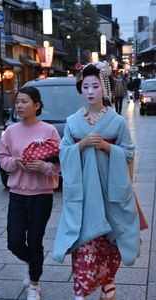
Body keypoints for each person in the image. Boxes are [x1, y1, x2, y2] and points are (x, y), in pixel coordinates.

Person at [53, 61, 140, 300]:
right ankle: (81, 289)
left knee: (111, 242)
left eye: (96, 86)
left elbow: (129, 152)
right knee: (84, 243)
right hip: (84, 193)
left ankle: (108, 281)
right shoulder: (73, 121)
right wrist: (80, 145)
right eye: (86, 87)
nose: (90, 91)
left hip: (109, 191)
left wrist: (104, 146)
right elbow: (63, 151)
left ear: (105, 89)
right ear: (81, 89)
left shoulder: (117, 121)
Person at [0, 86, 60, 300]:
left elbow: (60, 164)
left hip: (42, 196)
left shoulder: (49, 131)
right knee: (14, 242)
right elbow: (2, 159)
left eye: (24, 102)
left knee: (35, 241)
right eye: (17, 102)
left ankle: (34, 283)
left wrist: (44, 167)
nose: (19, 106)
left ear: (37, 105)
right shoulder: (10, 132)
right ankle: (32, 262)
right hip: (17, 194)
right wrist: (15, 162)